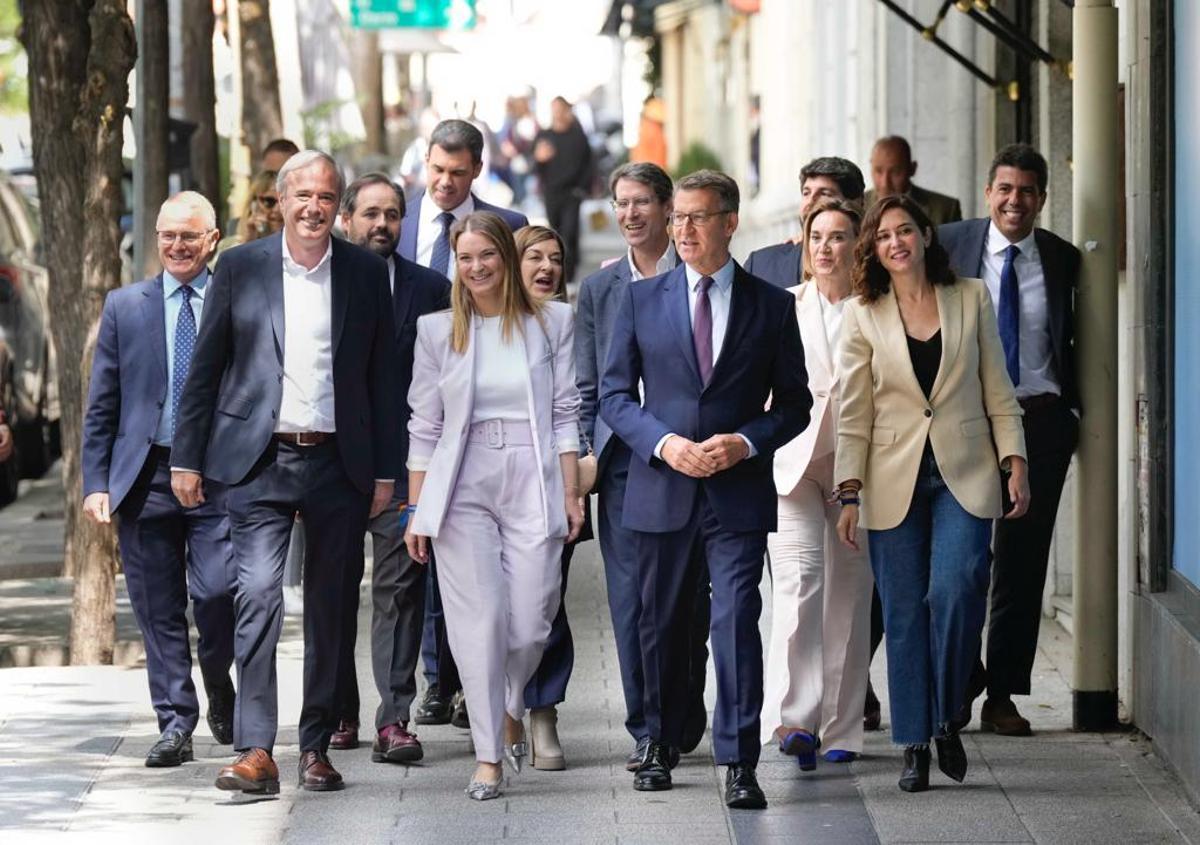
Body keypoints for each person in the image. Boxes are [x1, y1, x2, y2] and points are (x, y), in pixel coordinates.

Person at [171, 150, 399, 795]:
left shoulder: (361, 272)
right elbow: (205, 368)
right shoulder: (241, 267)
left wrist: (386, 470)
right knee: (258, 596)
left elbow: (384, 379)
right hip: (257, 460)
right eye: (301, 195)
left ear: (337, 205)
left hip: (339, 461)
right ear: (280, 200)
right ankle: (256, 749)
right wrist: (187, 457)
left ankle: (317, 746)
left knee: (331, 609)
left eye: (326, 197)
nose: (313, 207)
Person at [600, 170, 811, 810]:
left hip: (737, 491)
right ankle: (659, 744)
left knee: (735, 622)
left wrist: (744, 442)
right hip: (661, 486)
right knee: (661, 622)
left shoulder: (771, 305)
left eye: (697, 217)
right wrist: (665, 444)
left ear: (730, 222)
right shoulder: (640, 300)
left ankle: (739, 760)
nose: (683, 230)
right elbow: (612, 396)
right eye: (679, 218)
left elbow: (795, 405)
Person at [833, 194, 1029, 793]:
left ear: (925, 236)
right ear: (876, 248)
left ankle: (948, 713)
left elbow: (997, 385)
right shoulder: (863, 312)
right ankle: (916, 740)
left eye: (906, 231)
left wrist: (1014, 460)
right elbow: (853, 410)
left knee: (958, 587)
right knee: (903, 609)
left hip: (964, 472)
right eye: (885, 235)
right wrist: (848, 491)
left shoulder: (969, 296)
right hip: (893, 477)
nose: (897, 242)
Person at [403, 211, 583, 800]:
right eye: (465, 257)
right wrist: (416, 509)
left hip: (532, 474)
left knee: (532, 618)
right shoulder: (437, 331)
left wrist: (571, 490)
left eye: (487, 255)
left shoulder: (553, 321)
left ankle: (510, 705)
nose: (476, 267)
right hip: (462, 485)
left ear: (507, 256)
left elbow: (564, 414)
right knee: (478, 623)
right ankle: (487, 755)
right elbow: (424, 426)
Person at [81, 192, 236, 767]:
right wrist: (97, 481)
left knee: (219, 594)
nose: (176, 246)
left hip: (218, 476)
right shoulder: (126, 305)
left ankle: (218, 678)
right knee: (158, 608)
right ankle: (175, 721)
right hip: (143, 478)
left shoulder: (233, 295)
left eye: (189, 237)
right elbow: (103, 403)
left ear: (212, 239)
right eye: (167, 235)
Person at [939, 144, 1081, 737]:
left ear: (1042, 199)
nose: (1014, 201)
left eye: (1026, 191)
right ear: (987, 192)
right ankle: (962, 676)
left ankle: (1001, 694)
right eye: (1005, 189)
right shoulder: (949, 245)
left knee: (1023, 566)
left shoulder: (1064, 259)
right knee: (961, 563)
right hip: (967, 422)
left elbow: (1074, 341)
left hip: (1041, 422)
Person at [576, 161, 711, 773]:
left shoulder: (701, 276)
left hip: (698, 463)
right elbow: (586, 389)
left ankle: (682, 705)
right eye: (620, 204)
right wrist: (582, 469)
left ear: (668, 210)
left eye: (641, 204)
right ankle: (648, 728)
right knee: (633, 603)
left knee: (690, 603)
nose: (629, 215)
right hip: (627, 466)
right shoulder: (601, 290)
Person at [396, 118, 530, 726]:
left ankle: (474, 680)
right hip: (418, 410)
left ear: (477, 169)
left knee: (492, 572)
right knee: (426, 559)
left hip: (496, 423)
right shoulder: (396, 227)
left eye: (457, 172)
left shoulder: (511, 228)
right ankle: (436, 680)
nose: (445, 183)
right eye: (436, 170)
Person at [329, 173, 451, 762]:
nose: (382, 225)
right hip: (331, 467)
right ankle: (340, 711)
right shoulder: (317, 284)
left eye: (393, 215)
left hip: (405, 468)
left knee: (400, 593)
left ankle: (394, 718)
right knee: (333, 594)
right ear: (346, 219)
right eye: (371, 213)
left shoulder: (431, 289)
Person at [760, 198, 874, 770]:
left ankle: (842, 726)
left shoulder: (877, 310)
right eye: (817, 237)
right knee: (800, 579)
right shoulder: (783, 306)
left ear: (858, 245)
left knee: (850, 593)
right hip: (793, 463)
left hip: (861, 468)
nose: (826, 247)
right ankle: (795, 718)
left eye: (838, 237)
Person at [513, 224, 595, 770]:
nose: (547, 268)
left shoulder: (567, 322)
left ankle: (543, 711)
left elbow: (578, 402)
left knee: (544, 601)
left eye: (556, 258)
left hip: (550, 482)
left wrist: (576, 480)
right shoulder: (476, 322)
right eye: (534, 257)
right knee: (492, 604)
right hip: (485, 485)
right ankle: (500, 706)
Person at [744, 156, 865, 289]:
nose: (810, 202)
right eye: (806, 193)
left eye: (824, 193)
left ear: (856, 204)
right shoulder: (759, 266)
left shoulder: (879, 265)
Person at [533, 97, 592, 283]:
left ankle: (569, 275)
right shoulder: (544, 135)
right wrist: (539, 159)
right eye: (555, 109)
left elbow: (589, 164)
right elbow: (535, 167)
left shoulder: (578, 136)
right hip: (552, 193)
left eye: (562, 109)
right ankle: (557, 269)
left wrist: (582, 188)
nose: (558, 113)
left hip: (572, 192)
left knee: (570, 232)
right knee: (555, 232)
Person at [864, 135, 963, 226]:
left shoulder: (946, 210)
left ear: (912, 169)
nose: (885, 183)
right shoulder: (855, 207)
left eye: (895, 172)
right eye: (878, 171)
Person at [213, 169, 282, 264]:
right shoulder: (229, 246)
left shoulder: (300, 247)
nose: (277, 209)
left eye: (283, 201)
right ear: (253, 204)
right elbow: (218, 275)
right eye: (269, 201)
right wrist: (248, 243)